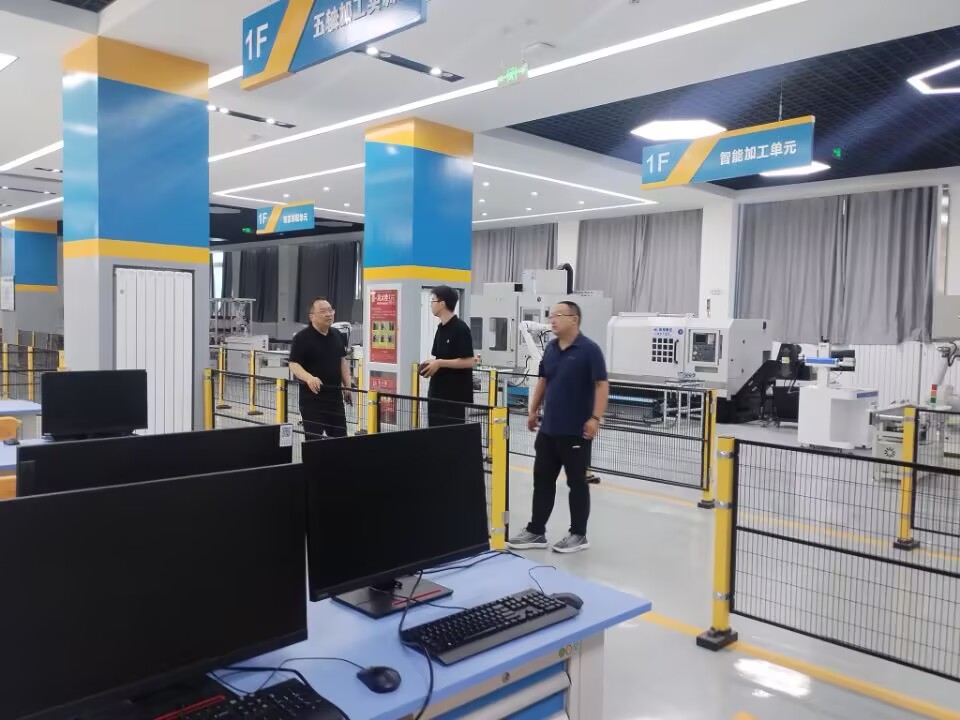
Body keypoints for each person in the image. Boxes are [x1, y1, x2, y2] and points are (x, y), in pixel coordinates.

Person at [507, 300, 609, 554]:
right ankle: (536, 531)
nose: (552, 320)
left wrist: (595, 418)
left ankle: (578, 534)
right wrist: (533, 410)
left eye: (558, 315)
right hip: (548, 430)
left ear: (574, 319)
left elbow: (601, 385)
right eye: (551, 315)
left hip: (576, 431)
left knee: (577, 483)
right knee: (542, 481)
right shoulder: (551, 349)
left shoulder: (589, 350)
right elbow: (544, 380)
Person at [288, 297, 353, 439]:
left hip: (335, 400)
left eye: (330, 310)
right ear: (312, 316)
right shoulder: (302, 338)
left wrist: (347, 386)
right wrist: (309, 378)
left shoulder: (337, 335)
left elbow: (342, 361)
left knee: (341, 440)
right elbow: (293, 364)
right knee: (314, 441)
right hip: (312, 402)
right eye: (323, 311)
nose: (329, 314)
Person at [419, 285, 476, 426]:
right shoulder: (440, 329)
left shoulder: (460, 328)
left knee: (451, 435)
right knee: (435, 433)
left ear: (442, 303)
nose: (431, 304)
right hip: (437, 394)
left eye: (433, 300)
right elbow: (440, 357)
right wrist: (431, 363)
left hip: (453, 397)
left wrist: (439, 363)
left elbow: (469, 361)